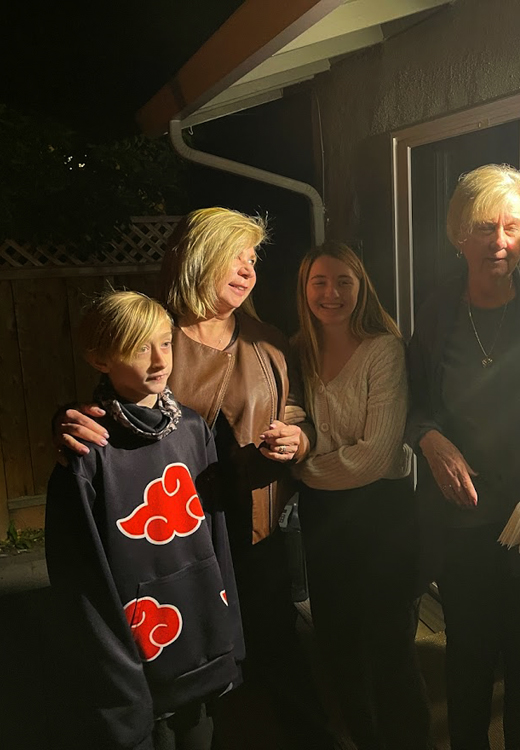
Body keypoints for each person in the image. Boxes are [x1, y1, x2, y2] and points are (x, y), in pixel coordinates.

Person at [54, 208, 335, 749]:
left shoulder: (268, 341)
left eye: (252, 259)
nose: (248, 269)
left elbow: (297, 411)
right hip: (178, 546)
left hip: (255, 534)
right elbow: (107, 413)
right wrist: (65, 423)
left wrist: (298, 439)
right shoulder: (156, 336)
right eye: (234, 256)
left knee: (278, 652)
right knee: (194, 679)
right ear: (199, 258)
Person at [406, 164, 520, 750]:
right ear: (460, 233)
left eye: (511, 227)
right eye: (484, 227)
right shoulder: (437, 310)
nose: (498, 242)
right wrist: (430, 440)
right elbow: (414, 402)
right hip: (462, 517)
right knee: (468, 654)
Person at [45, 291, 244, 750]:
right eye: (138, 348)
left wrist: (229, 640)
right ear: (100, 359)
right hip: (135, 665)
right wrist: (117, 682)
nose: (159, 360)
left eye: (165, 343)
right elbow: (81, 587)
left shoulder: (192, 429)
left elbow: (216, 540)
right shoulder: (87, 454)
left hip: (199, 643)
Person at [291, 242, 432, 750]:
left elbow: (376, 456)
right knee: (336, 640)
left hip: (381, 514)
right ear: (305, 290)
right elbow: (292, 415)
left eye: (343, 282)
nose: (331, 293)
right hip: (324, 514)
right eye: (319, 282)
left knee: (390, 646)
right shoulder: (298, 349)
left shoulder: (384, 349)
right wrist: (303, 443)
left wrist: (304, 466)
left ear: (361, 287)